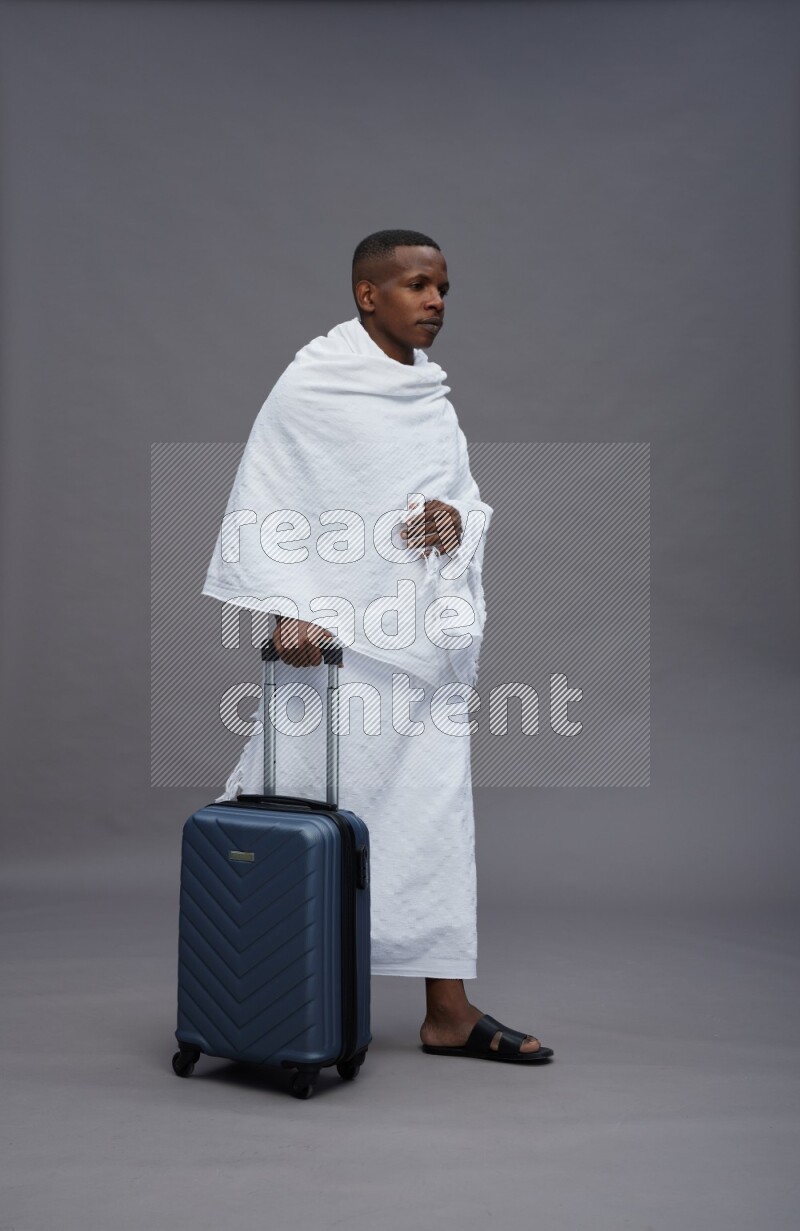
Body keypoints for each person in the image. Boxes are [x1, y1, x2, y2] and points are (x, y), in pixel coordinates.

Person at [202, 229, 553, 1064]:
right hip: (327, 644)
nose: (435, 302)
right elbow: (268, 494)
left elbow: (461, 498)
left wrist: (455, 521)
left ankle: (448, 1011)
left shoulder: (429, 393)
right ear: (369, 294)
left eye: (443, 288)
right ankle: (260, 989)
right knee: (293, 803)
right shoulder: (313, 382)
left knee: (431, 811)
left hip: (418, 640)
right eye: (418, 285)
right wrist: (284, 607)